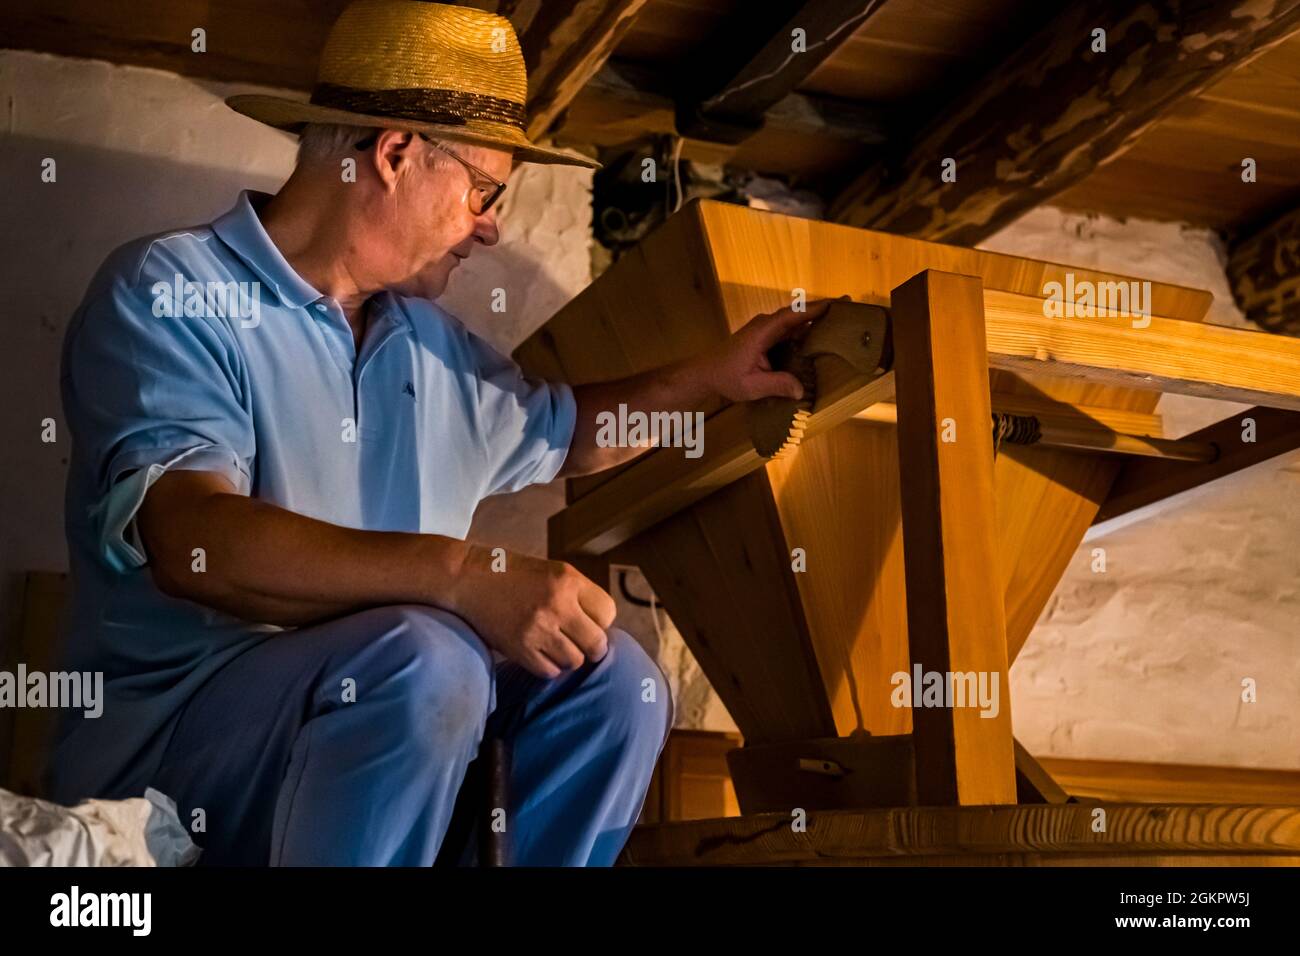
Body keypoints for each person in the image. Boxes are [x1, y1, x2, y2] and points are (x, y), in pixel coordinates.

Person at [46, 0, 820, 866]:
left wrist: (714, 380)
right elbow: (196, 542)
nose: (491, 225)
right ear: (396, 153)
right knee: (429, 655)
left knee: (618, 683)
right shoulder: (174, 289)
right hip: (176, 763)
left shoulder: (431, 347)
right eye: (485, 192)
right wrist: (460, 574)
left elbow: (571, 434)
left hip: (379, 715)